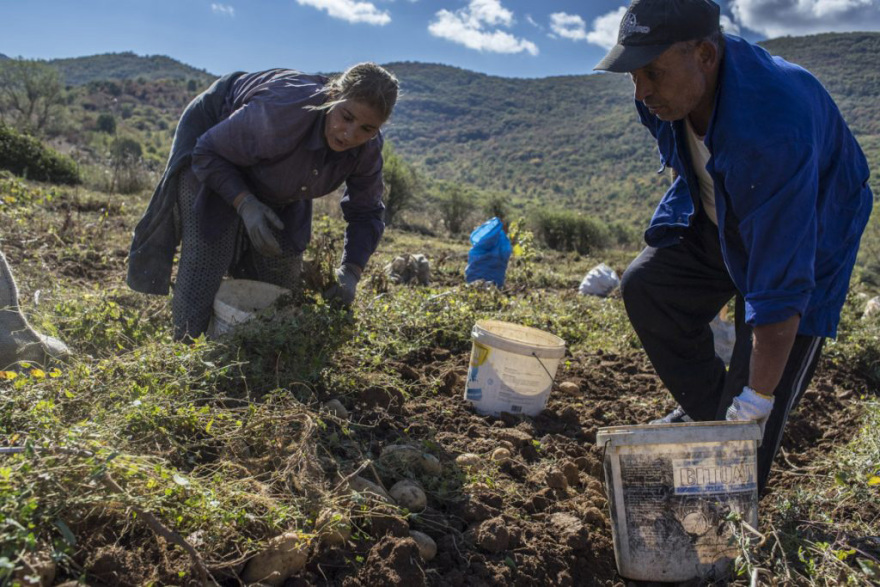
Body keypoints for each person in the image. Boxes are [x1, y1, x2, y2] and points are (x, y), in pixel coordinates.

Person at [595, 0, 873, 490]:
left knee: (746, 437)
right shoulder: (665, 95)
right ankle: (711, 420)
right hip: (724, 210)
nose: (640, 91)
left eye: (652, 73)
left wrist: (755, 405)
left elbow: (782, 289)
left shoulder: (772, 131)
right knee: (649, 287)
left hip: (805, 229)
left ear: (704, 54)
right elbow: (689, 160)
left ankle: (734, 475)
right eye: (633, 74)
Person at [126, 63, 399, 340]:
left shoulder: (367, 149)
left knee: (282, 278)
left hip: (281, 168)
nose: (350, 134)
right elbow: (207, 153)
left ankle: (253, 348)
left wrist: (351, 272)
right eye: (347, 117)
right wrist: (245, 203)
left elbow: (366, 212)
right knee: (208, 251)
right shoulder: (281, 112)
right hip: (216, 142)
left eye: (366, 128)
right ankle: (187, 345)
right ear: (332, 97)